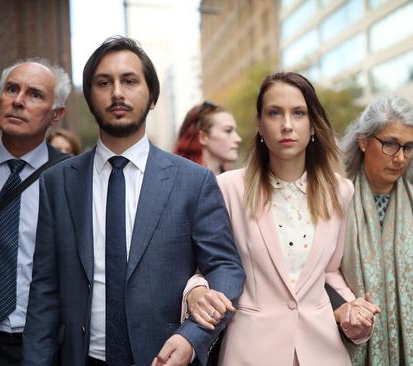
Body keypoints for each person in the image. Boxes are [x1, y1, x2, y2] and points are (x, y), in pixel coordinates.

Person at [21, 36, 245, 366]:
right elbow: (44, 291)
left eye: (129, 81)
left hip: (165, 357)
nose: (117, 93)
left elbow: (225, 267)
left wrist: (193, 335)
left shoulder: (193, 181)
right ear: (90, 97)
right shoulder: (57, 183)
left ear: (152, 95)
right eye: (103, 82)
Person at [184, 71, 380, 365]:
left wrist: (353, 311)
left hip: (322, 351)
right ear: (260, 125)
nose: (287, 125)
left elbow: (329, 271)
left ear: (313, 124)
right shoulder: (228, 188)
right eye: (275, 113)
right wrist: (194, 292)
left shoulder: (341, 190)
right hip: (250, 351)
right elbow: (207, 267)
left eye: (298, 113)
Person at [328, 95, 413, 365]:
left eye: (409, 147)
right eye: (390, 144)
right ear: (364, 141)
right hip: (344, 342)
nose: (400, 158)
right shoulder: (335, 195)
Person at [0, 58, 70, 365]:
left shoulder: (70, 176)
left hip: (44, 346)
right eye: (12, 89)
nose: (18, 101)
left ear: (56, 114)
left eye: (35, 94)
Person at [174, 101, 241, 175]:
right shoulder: (180, 179)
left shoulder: (232, 180)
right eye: (228, 131)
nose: (238, 139)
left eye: (235, 131)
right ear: (203, 137)